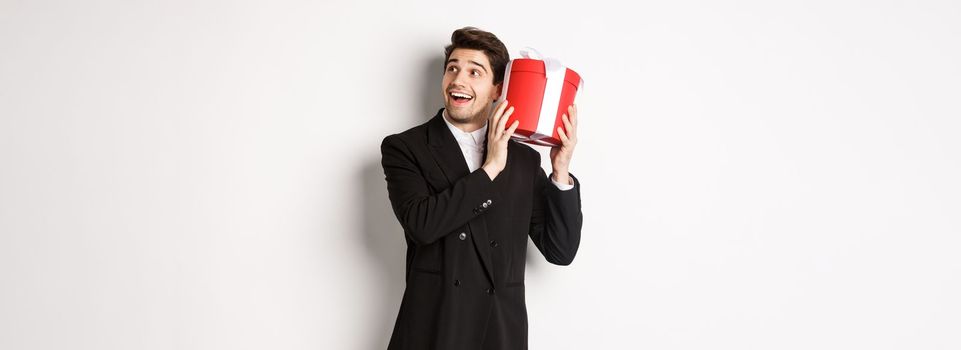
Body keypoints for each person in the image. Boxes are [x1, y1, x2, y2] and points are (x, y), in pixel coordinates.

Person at [380, 26, 583, 350]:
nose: (459, 80)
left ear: (497, 89)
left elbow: (560, 250)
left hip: (499, 334)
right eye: (453, 69)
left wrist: (560, 170)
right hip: (435, 328)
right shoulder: (406, 147)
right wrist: (490, 169)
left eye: (475, 72)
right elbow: (423, 225)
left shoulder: (525, 160)